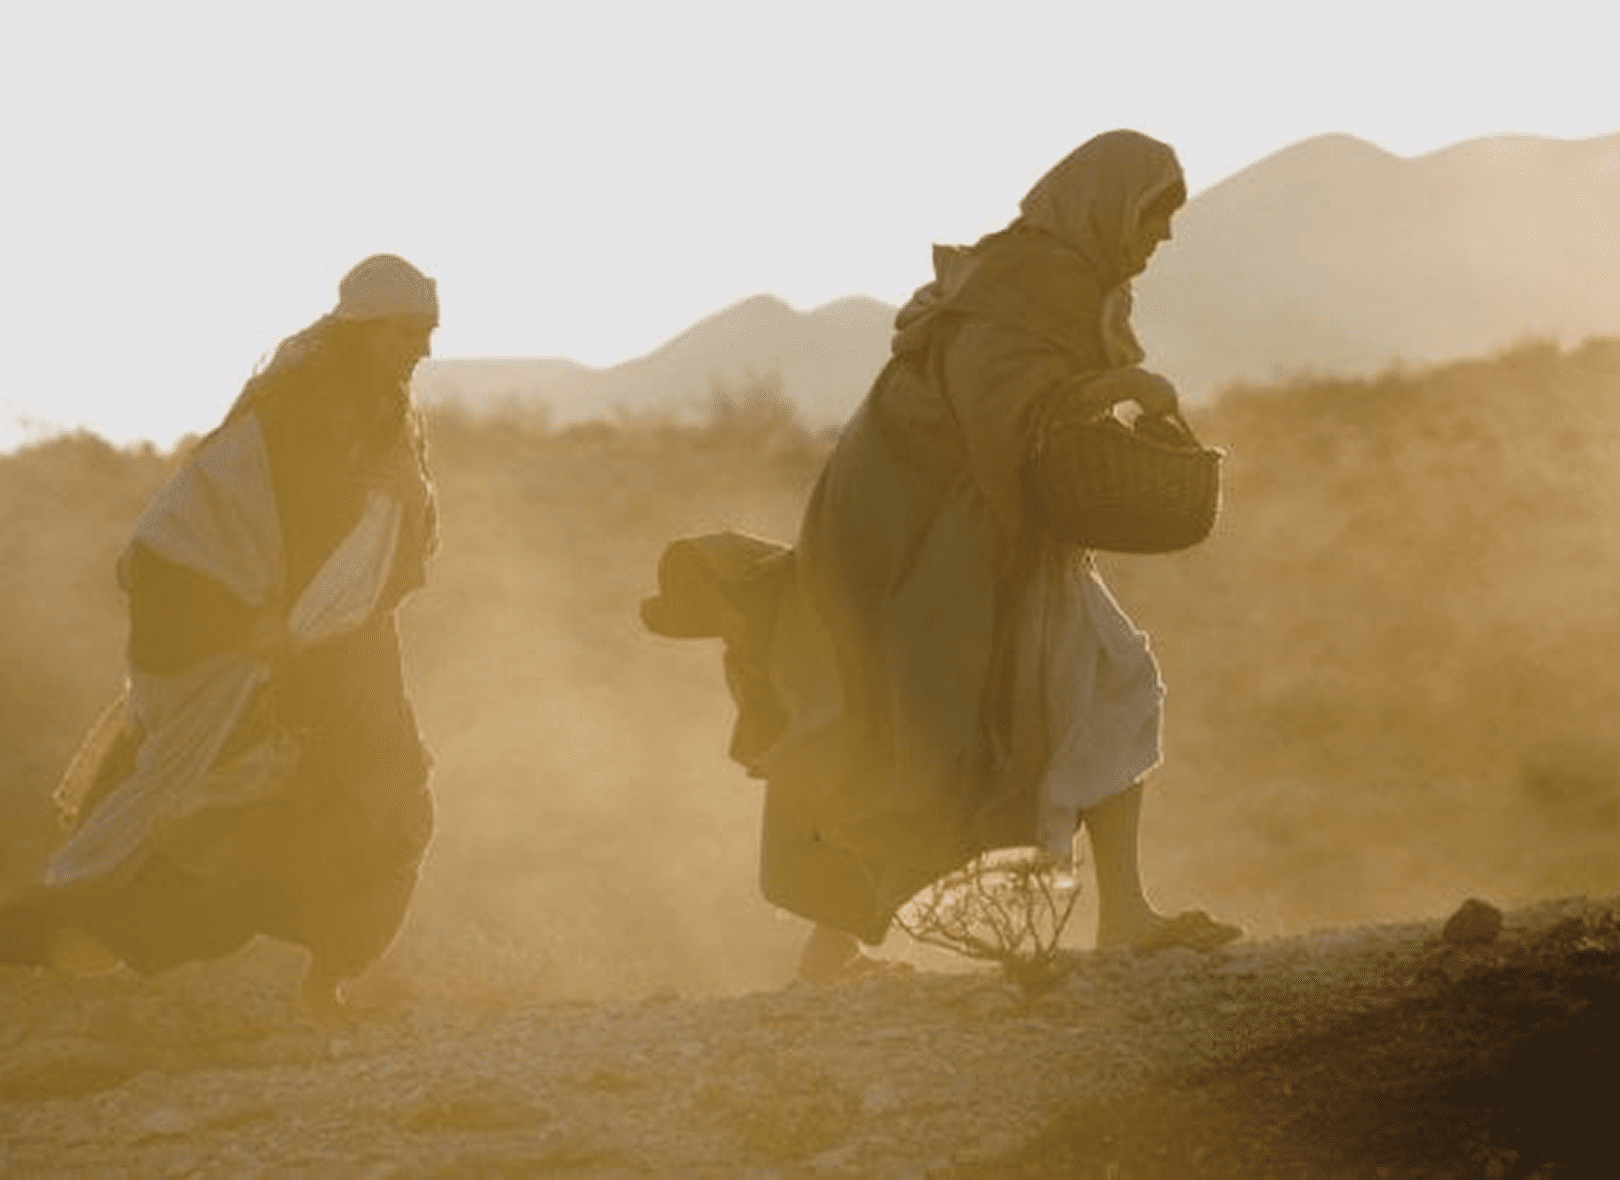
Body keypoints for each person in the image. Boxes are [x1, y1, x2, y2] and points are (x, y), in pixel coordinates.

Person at [643, 130, 1239, 980]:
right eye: (1154, 215)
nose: (1164, 238)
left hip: (937, 520)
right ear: (1106, 207)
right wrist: (1126, 391)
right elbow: (1005, 414)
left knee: (926, 718)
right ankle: (1105, 918)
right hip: (929, 529)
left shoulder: (1042, 277)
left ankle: (843, 951)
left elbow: (1019, 413)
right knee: (1030, 699)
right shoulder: (1034, 282)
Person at [0, 254, 442, 1020]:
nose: (425, 348)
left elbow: (382, 551)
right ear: (366, 330)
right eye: (410, 330)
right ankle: (34, 941)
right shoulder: (300, 413)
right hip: (271, 661)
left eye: (430, 331)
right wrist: (262, 632)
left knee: (378, 809)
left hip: (347, 656)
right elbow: (207, 544)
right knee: (201, 835)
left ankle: (321, 982)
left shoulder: (379, 410)